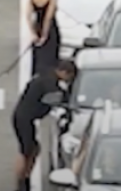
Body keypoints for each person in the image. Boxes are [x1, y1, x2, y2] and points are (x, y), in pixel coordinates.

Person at [12, 60, 78, 191]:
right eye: (69, 77)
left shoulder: (46, 75)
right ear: (64, 72)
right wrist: (68, 100)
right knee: (26, 151)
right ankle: (21, 182)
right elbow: (57, 96)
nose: (68, 80)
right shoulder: (49, 82)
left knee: (34, 149)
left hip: (24, 118)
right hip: (24, 119)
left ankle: (25, 178)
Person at [28, 0, 61, 78]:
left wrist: (33, 33)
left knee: (38, 56)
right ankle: (48, 76)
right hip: (50, 29)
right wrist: (45, 35)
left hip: (37, 26)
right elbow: (48, 17)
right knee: (50, 56)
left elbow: (28, 15)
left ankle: (36, 75)